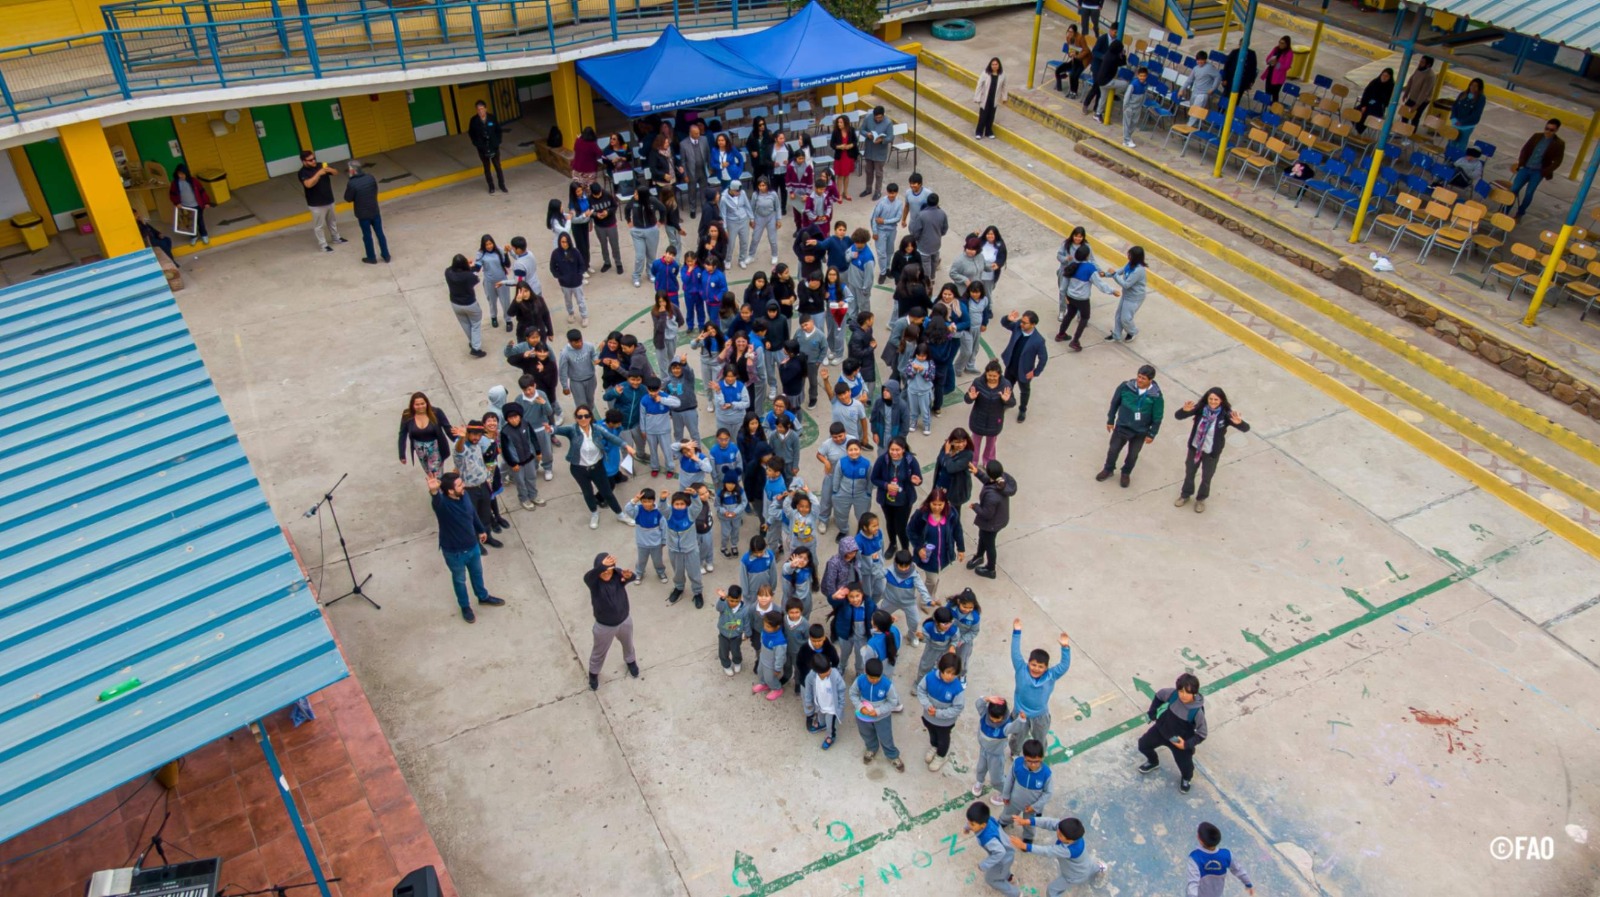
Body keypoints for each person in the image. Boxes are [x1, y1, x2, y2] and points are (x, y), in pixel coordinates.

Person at [427, 472, 506, 623]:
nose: (463, 486)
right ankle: (465, 607)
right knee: (459, 580)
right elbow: (436, 502)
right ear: (450, 490)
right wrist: (434, 492)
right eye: (459, 485)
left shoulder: (464, 496)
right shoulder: (443, 505)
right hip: (454, 552)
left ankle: (483, 597)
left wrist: (481, 529)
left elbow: (473, 514)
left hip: (472, 546)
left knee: (477, 574)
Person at [556, 405, 634, 529]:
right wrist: (548, 427)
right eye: (579, 416)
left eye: (586, 416)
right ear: (576, 418)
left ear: (590, 417)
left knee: (607, 492)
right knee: (587, 492)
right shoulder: (572, 430)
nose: (583, 418)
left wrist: (626, 445)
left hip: (597, 467)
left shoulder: (597, 429)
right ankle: (594, 514)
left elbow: (612, 437)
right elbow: (555, 430)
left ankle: (620, 515)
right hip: (579, 469)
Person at [1175, 387, 1250, 512]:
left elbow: (1246, 428)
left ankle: (1201, 499)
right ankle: (1185, 495)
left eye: (1216, 399)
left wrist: (1239, 423)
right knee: (1189, 473)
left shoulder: (1225, 415)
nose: (1213, 402)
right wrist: (1184, 410)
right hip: (1195, 448)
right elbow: (1178, 416)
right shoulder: (1200, 409)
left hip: (1211, 452)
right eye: (1210, 399)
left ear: (1221, 400)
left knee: (1207, 477)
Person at [1137, 673, 1209, 794]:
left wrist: (1186, 745)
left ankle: (1186, 778)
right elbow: (1159, 695)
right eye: (1181, 691)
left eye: (1187, 692)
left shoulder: (1197, 711)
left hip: (1177, 739)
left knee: (1185, 765)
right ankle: (1153, 762)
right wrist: (1152, 713)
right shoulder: (1173, 695)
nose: (1183, 695)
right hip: (1162, 730)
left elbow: (1202, 733)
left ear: (1194, 693)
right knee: (1143, 745)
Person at [1008, 620, 1072, 754]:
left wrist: (1065, 648)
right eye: (1033, 665)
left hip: (1040, 716)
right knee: (1017, 737)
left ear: (1046, 668)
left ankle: (1039, 754)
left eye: (1040, 666)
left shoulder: (1051, 675)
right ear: (1028, 663)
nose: (1036, 669)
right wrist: (1017, 632)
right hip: (1021, 714)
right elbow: (1015, 652)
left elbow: (1064, 666)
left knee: (1040, 738)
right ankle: (1015, 753)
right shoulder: (1021, 669)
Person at [1097, 363, 1163, 487]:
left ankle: (1126, 473)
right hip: (1122, 426)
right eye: (1139, 376)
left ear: (1150, 380)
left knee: (1133, 455)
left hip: (1140, 431)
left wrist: (1152, 433)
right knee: (1113, 450)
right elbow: (1114, 403)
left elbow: (1158, 416)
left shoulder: (1156, 397)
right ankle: (1108, 469)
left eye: (1143, 378)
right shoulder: (1125, 387)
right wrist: (1110, 420)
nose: (1139, 380)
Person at [1008, 816, 1110, 892]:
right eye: (1058, 830)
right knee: (1091, 867)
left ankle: (1099, 868)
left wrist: (1024, 845)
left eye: (1060, 835)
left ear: (1070, 840)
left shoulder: (1068, 850)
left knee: (1052, 889)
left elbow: (1047, 851)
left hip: (1074, 875)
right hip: (1086, 864)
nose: (1057, 832)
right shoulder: (1072, 833)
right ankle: (1101, 867)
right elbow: (1050, 822)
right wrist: (1027, 821)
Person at [584, 553, 640, 690]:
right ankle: (593, 673)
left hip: (624, 621)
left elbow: (631, 577)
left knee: (628, 644)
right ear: (598, 570)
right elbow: (587, 577)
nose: (607, 573)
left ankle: (630, 661)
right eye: (604, 571)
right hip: (604, 626)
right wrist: (602, 567)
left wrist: (629, 576)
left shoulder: (617, 574)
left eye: (610, 570)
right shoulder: (594, 583)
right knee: (599, 651)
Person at [1056, 242, 1117, 349]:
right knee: (1085, 318)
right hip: (1082, 300)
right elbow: (1100, 285)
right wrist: (1112, 291)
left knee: (1069, 314)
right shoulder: (1090, 268)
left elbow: (1063, 286)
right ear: (1087, 256)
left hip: (1070, 296)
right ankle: (1075, 341)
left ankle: (1061, 334)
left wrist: (1064, 295)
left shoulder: (1071, 266)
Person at [850, 657, 904, 771]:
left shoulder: (887, 684)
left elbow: (893, 701)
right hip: (863, 716)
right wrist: (860, 707)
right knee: (866, 733)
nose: (874, 680)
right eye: (871, 678)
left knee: (886, 737)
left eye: (877, 678)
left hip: (882, 717)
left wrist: (879, 711)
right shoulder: (860, 680)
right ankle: (871, 748)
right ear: (866, 672)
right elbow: (853, 694)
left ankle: (892, 756)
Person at [907, 488, 964, 595]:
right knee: (931, 580)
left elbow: (957, 530)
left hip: (944, 554)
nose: (937, 508)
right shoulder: (921, 514)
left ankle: (931, 596)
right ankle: (926, 601)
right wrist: (919, 547)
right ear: (929, 502)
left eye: (940, 504)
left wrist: (961, 548)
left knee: (936, 578)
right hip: (928, 556)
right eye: (934, 504)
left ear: (945, 504)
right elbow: (910, 530)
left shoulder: (951, 513)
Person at [915, 653, 966, 771]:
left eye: (953, 674)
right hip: (928, 717)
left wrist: (938, 713)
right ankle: (934, 746)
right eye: (948, 672)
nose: (950, 676)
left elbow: (957, 708)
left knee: (943, 739)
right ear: (941, 668)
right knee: (932, 734)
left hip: (945, 723)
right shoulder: (929, 678)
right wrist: (927, 705)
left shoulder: (957, 688)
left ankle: (941, 756)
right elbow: (921, 690)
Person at [968, 459, 1015, 579]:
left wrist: (975, 507)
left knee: (989, 544)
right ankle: (979, 555)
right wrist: (977, 473)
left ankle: (990, 569)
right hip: (998, 519)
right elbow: (989, 482)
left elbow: (986, 514)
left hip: (992, 523)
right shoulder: (1001, 481)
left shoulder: (992, 496)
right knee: (983, 536)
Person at [999, 739, 1054, 842]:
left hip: (1031, 807)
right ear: (1024, 758)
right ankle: (1003, 822)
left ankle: (1028, 837)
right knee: (1007, 813)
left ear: (1042, 758)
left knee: (1029, 823)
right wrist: (1006, 795)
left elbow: (1048, 793)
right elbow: (1009, 780)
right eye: (1030, 761)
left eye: (1036, 761)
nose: (1033, 765)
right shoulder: (1017, 764)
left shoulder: (1046, 773)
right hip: (1014, 801)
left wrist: (1035, 807)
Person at [1511, 118, 1566, 219]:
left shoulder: (1559, 143)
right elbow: (1525, 150)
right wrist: (1522, 164)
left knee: (1529, 193)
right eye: (1547, 128)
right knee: (1514, 189)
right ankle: (1505, 210)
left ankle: (1520, 213)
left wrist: (1545, 171)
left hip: (1538, 172)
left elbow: (1558, 161)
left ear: (1556, 130)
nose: (1548, 131)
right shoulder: (1537, 136)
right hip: (1526, 168)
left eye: (1551, 130)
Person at [998, 310, 1046, 423]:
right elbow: (1004, 323)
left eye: (1025, 323)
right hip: (1010, 365)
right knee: (1007, 386)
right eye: (1022, 321)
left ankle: (1022, 409)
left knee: (1024, 391)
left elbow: (1043, 358)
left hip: (1024, 370)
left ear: (1033, 324)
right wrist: (1007, 318)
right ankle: (1008, 402)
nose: (1021, 324)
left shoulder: (1038, 340)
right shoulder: (1017, 327)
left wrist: (1035, 372)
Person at [965, 802, 1021, 897]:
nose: (969, 825)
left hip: (1003, 859)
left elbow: (1000, 852)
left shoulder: (988, 839)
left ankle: (1016, 894)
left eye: (972, 824)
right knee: (1001, 870)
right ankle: (1009, 877)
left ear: (982, 825)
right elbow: (972, 821)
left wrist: (984, 865)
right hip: (1007, 850)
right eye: (968, 822)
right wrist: (966, 827)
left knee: (990, 879)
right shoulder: (987, 819)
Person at [338, 159, 388, 263]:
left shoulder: (352, 183)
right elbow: (375, 190)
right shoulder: (370, 178)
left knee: (367, 236)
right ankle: (386, 255)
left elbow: (348, 198)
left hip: (363, 214)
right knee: (380, 233)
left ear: (352, 171)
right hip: (374, 210)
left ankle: (371, 257)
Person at [1189, 822, 1254, 896]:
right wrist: (1248, 883)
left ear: (1199, 838)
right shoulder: (1226, 855)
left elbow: (1193, 883)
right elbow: (1239, 870)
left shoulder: (1195, 857)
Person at [398, 391, 454, 478]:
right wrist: (402, 454)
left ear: (427, 403)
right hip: (420, 449)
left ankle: (438, 490)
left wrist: (458, 439)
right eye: (417, 404)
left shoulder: (436, 412)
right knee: (429, 473)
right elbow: (402, 434)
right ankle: (438, 488)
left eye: (422, 403)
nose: (420, 406)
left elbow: (447, 427)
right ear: (412, 405)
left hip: (435, 448)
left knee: (435, 474)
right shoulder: (407, 415)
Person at [298, 150, 344, 252]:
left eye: (314, 158)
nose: (313, 161)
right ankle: (323, 245)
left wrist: (330, 170)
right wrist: (318, 173)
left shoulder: (321, 165)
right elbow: (308, 184)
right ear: (304, 162)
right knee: (319, 226)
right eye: (310, 160)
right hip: (316, 204)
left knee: (332, 221)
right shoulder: (302, 172)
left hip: (329, 199)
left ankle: (336, 238)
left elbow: (336, 173)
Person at [624, 185, 669, 289]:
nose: (634, 195)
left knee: (651, 256)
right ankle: (636, 276)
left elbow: (663, 209)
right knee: (640, 256)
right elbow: (627, 209)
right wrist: (628, 221)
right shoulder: (633, 201)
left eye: (636, 193)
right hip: (637, 232)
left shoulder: (652, 200)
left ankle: (650, 273)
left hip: (651, 231)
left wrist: (661, 221)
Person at [972, 697, 1019, 797]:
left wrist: (1022, 719)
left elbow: (1017, 727)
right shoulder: (984, 714)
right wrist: (987, 698)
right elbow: (978, 703)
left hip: (996, 756)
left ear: (1003, 716)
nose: (994, 720)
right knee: (980, 768)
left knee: (996, 778)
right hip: (983, 750)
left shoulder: (1007, 725)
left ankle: (1005, 793)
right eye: (991, 717)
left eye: (997, 719)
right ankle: (979, 782)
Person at [444, 254, 485, 357]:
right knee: (475, 324)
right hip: (470, 303)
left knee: (465, 324)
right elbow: (476, 279)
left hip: (455, 303)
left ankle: (473, 342)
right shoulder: (468, 276)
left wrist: (467, 267)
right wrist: (470, 268)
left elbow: (454, 269)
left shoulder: (448, 272)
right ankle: (476, 348)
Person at [1107, 245, 1148, 343]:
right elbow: (1120, 271)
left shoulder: (1139, 270)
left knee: (1125, 318)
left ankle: (1133, 331)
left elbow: (1126, 285)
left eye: (1130, 255)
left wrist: (1113, 275)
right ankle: (1116, 334)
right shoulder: (1130, 264)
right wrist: (1106, 274)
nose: (1128, 256)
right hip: (1127, 295)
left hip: (1134, 298)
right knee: (1118, 315)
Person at [467, 100, 508, 194]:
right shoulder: (473, 121)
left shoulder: (492, 118)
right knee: (487, 168)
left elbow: (498, 130)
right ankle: (491, 186)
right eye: (478, 109)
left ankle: (502, 185)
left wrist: (497, 142)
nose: (480, 111)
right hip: (482, 148)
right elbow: (471, 133)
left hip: (493, 146)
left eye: (482, 109)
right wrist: (477, 144)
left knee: (497, 166)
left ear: (485, 109)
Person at [1082, 24, 1123, 117]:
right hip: (1097, 67)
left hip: (1106, 70)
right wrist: (1103, 57)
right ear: (1110, 30)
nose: (1116, 34)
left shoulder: (1116, 42)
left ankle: (1097, 108)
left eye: (1117, 33)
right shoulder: (1102, 39)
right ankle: (1086, 104)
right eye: (1115, 32)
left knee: (1101, 89)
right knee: (1096, 86)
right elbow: (1095, 51)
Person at [167, 163, 211, 247]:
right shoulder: (175, 183)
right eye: (179, 174)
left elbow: (202, 192)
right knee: (189, 223)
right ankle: (193, 236)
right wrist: (176, 203)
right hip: (185, 206)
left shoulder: (194, 181)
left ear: (186, 173)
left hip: (197, 206)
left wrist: (206, 202)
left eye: (182, 174)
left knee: (200, 221)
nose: (180, 176)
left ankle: (204, 235)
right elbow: (172, 195)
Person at [858, 107, 893, 200]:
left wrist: (882, 140)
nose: (878, 119)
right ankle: (868, 189)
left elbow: (890, 137)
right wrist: (867, 134)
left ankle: (878, 192)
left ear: (883, 115)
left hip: (880, 152)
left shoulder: (888, 123)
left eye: (880, 117)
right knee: (868, 171)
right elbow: (861, 130)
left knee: (878, 173)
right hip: (869, 150)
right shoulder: (868, 118)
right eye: (876, 118)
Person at [909, 192, 948, 277]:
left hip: (924, 245)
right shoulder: (942, 213)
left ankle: (927, 280)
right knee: (934, 261)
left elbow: (916, 232)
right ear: (937, 202)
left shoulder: (922, 215)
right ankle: (933, 277)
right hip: (937, 243)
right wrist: (938, 235)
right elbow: (945, 229)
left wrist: (917, 239)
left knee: (926, 264)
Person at [588, 183, 622, 276]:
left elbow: (615, 206)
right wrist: (596, 215)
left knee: (615, 245)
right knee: (603, 245)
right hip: (599, 226)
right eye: (596, 195)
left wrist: (607, 212)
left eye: (599, 194)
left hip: (611, 224)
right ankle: (607, 262)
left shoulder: (607, 194)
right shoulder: (589, 199)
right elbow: (589, 212)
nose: (598, 196)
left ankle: (618, 263)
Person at [721, 180, 755, 271]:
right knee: (730, 243)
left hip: (743, 220)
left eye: (739, 191)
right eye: (737, 191)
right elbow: (723, 214)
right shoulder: (724, 198)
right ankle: (727, 260)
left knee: (744, 241)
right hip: (732, 222)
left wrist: (751, 218)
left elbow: (747, 206)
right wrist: (724, 228)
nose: (739, 193)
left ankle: (742, 259)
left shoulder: (742, 193)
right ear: (731, 189)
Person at [679, 123, 710, 219]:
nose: (698, 135)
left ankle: (705, 208)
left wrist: (709, 168)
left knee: (704, 190)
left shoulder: (704, 140)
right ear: (691, 133)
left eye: (699, 133)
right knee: (692, 191)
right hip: (691, 172)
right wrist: (685, 175)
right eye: (696, 133)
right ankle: (692, 209)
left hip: (702, 170)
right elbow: (683, 161)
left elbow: (708, 154)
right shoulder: (683, 144)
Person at [1449, 77, 1486, 151]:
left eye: (1476, 86)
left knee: (1461, 144)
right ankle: (1447, 158)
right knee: (1451, 143)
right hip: (1455, 123)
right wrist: (1453, 118)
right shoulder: (1463, 94)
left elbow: (1476, 114)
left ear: (1479, 88)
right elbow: (1455, 106)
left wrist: (1462, 122)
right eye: (1472, 85)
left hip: (1466, 126)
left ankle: (1457, 160)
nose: (1473, 87)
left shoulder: (1481, 98)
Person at [1353, 68, 1394, 135]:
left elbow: (1387, 101)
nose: (1384, 77)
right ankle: (1358, 130)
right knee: (1355, 111)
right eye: (1383, 75)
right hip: (1368, 103)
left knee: (1366, 115)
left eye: (1386, 76)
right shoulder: (1375, 82)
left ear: (1390, 77)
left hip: (1378, 108)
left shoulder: (1390, 87)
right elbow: (1366, 93)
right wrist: (1363, 105)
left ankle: (1359, 132)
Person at [974, 57, 1008, 140]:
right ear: (990, 65)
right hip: (985, 99)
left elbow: (1004, 86)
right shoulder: (985, 73)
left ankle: (988, 131)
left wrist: (1004, 97)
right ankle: (979, 132)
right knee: (983, 116)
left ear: (999, 65)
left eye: (996, 64)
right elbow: (979, 85)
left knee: (991, 116)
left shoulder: (1002, 75)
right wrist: (977, 97)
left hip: (994, 99)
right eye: (993, 64)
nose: (994, 66)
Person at [1055, 24, 1091, 98]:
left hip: (1082, 60)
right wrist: (1070, 54)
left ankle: (1073, 92)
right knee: (1058, 69)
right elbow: (1070, 49)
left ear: (1075, 32)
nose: (1070, 33)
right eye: (1069, 31)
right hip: (1074, 59)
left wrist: (1077, 55)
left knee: (1074, 75)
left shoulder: (1081, 38)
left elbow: (1086, 50)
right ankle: (1059, 86)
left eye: (1071, 32)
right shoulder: (1068, 37)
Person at [829, 115, 860, 199]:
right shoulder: (835, 132)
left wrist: (850, 145)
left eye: (841, 122)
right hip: (840, 156)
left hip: (849, 155)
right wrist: (839, 147)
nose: (839, 124)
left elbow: (855, 141)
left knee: (847, 175)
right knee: (840, 176)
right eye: (838, 122)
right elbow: (832, 144)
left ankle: (845, 192)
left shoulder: (851, 130)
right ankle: (838, 194)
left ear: (845, 123)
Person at [1401, 55, 1436, 127]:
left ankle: (1411, 134)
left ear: (1428, 65)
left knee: (1415, 117)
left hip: (1422, 100)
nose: (1420, 63)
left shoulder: (1430, 76)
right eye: (1420, 61)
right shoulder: (1419, 69)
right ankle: (1402, 129)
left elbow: (1424, 92)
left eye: (1422, 62)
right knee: (1405, 113)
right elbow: (1411, 80)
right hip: (1412, 97)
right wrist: (1406, 93)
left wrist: (1417, 105)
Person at [1121, 66, 1150, 149]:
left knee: (1134, 123)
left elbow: (1144, 94)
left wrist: (1141, 105)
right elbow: (1126, 97)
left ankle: (1128, 137)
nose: (1142, 78)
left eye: (1144, 76)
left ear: (1146, 76)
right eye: (1141, 76)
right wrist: (1125, 107)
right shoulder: (1133, 84)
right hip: (1130, 107)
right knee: (1127, 124)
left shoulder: (1145, 85)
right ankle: (1126, 140)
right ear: (1137, 75)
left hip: (1138, 107)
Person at [1187, 50, 1220, 119]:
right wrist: (1182, 89)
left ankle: (1191, 125)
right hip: (1195, 91)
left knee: (1196, 110)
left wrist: (1213, 88)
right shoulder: (1195, 68)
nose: (1200, 62)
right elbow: (1189, 79)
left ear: (1205, 60)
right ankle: (1196, 124)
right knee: (1192, 109)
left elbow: (1218, 77)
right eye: (1198, 60)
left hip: (1203, 93)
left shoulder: (1210, 68)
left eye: (1201, 60)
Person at [1262, 37, 1294, 105]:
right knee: (1267, 93)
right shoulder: (1276, 49)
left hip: (1278, 77)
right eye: (1279, 42)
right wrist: (1269, 61)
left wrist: (1277, 64)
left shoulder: (1289, 53)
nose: (1280, 44)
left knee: (1275, 94)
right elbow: (1269, 57)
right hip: (1270, 73)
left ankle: (1273, 110)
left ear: (1286, 44)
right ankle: (1264, 109)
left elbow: (1286, 66)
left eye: (1282, 43)